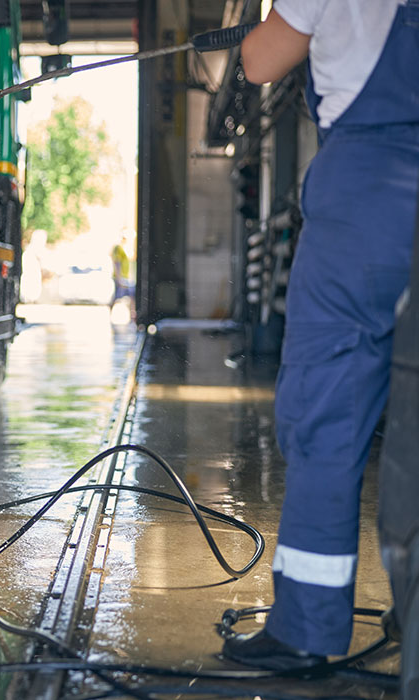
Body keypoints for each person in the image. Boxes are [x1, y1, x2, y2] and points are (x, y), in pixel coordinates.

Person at [222, 1, 419, 670]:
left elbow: (261, 58)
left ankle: (308, 626)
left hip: (369, 191)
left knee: (326, 409)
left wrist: (255, 29)